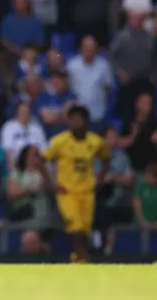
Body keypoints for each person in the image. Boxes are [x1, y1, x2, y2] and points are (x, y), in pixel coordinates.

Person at [43, 104, 110, 263]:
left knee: (84, 228)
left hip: (87, 190)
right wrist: (51, 183)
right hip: (66, 190)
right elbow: (41, 161)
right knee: (75, 224)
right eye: (71, 119)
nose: (75, 123)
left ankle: (80, 258)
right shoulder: (59, 141)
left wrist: (100, 179)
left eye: (78, 119)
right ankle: (80, 256)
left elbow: (106, 158)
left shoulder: (96, 141)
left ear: (86, 121)